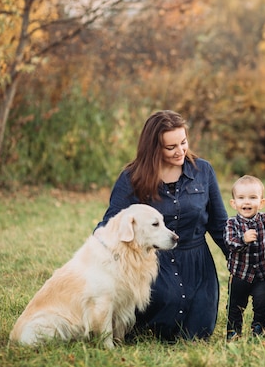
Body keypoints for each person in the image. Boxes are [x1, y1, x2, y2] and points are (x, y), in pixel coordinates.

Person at [94, 110, 228, 341]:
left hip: (197, 262)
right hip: (153, 264)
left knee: (198, 333)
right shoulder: (132, 177)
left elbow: (219, 225)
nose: (180, 151)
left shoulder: (203, 171)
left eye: (183, 142)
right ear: (154, 148)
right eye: (171, 147)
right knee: (163, 311)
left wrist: (242, 257)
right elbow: (111, 223)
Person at [224, 175, 265, 341]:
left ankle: (259, 329)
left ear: (261, 202)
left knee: (263, 304)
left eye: (252, 198)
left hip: (263, 274)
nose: (247, 202)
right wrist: (243, 240)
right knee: (235, 305)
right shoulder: (232, 223)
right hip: (240, 275)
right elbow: (230, 243)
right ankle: (233, 331)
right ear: (234, 203)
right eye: (241, 198)